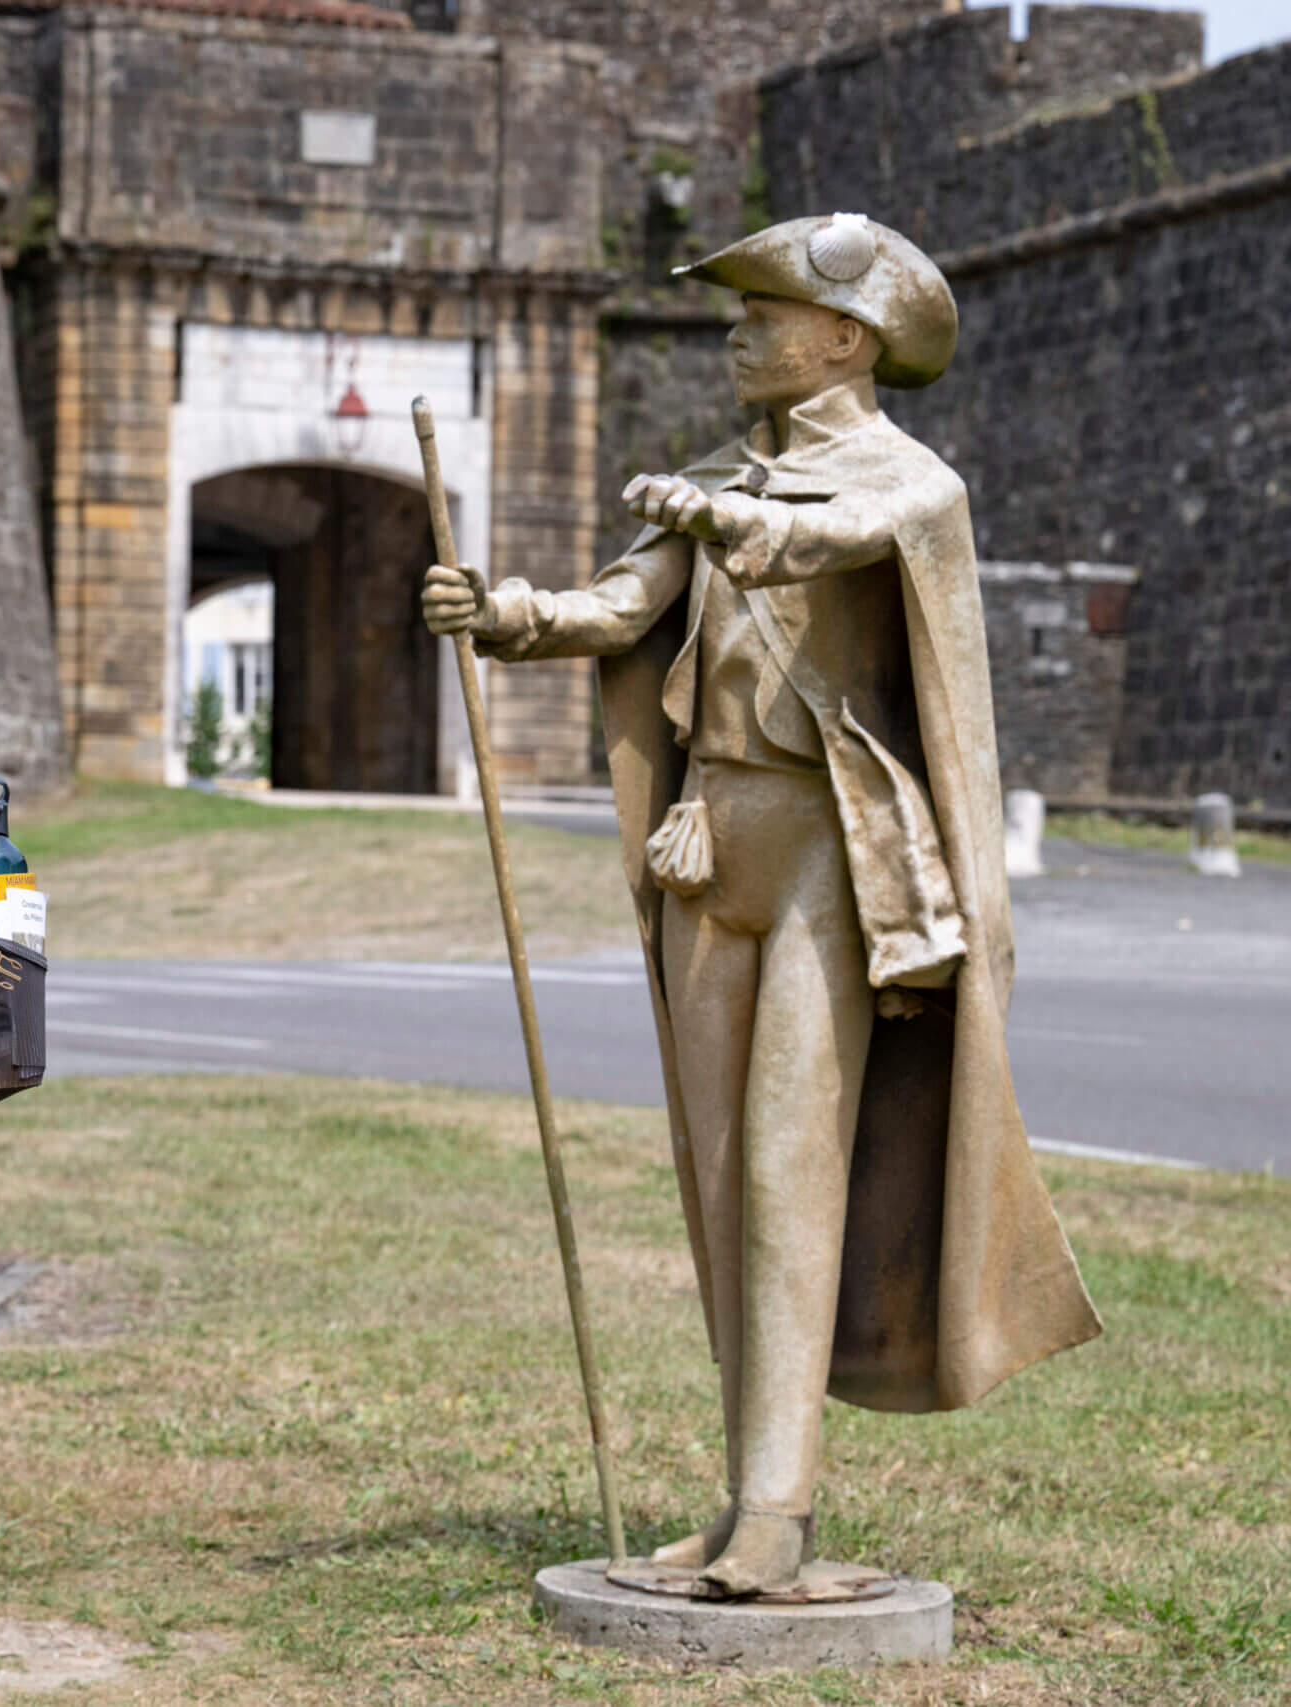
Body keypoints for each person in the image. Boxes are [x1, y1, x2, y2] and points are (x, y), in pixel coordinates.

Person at [421, 215, 1097, 1596]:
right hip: (706, 840)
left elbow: (823, 540)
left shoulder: (910, 486)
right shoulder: (728, 475)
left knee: (795, 1176)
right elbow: (623, 608)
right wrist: (508, 612)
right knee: (723, 1182)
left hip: (826, 859)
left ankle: (778, 1512)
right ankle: (743, 1499)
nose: (733, 332)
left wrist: (722, 517)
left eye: (760, 310)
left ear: (845, 336)